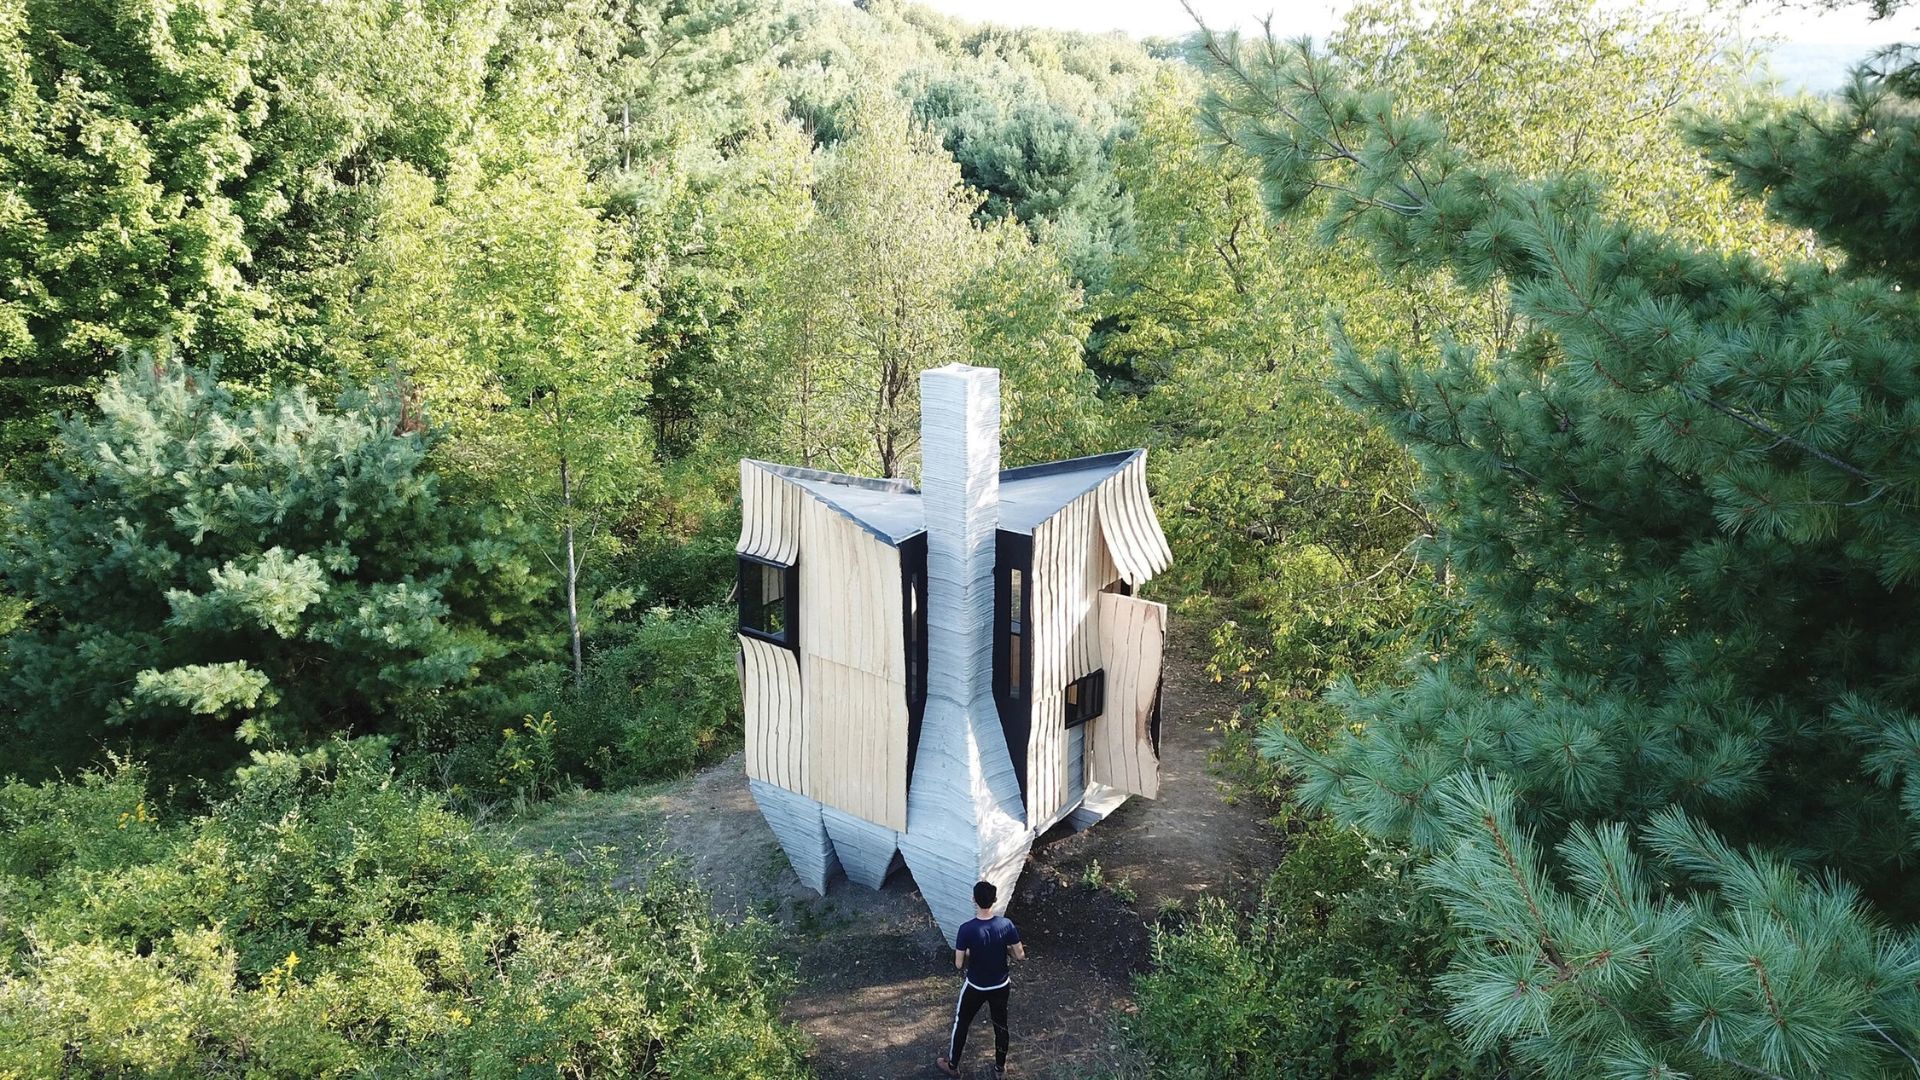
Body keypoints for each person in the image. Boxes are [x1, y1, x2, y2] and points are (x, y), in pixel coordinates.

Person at [936, 880, 1025, 1078]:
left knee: (962, 1022)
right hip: (1000, 985)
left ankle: (953, 1066)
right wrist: (1005, 949)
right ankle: (1000, 1069)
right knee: (1000, 1026)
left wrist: (971, 951)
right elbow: (1020, 955)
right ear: (994, 900)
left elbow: (958, 963)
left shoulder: (966, 929)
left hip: (975, 985)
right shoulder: (1006, 925)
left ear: (974, 900)